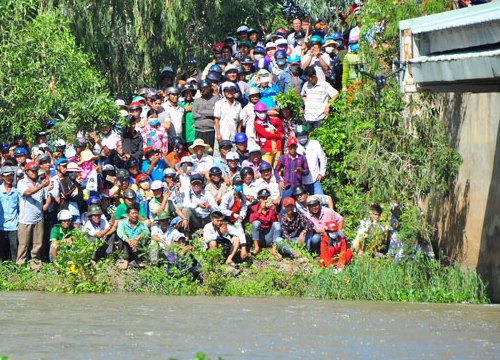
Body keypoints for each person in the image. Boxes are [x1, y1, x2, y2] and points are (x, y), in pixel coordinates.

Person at [17, 161, 52, 269]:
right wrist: (42, 185)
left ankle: (36, 266)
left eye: (36, 171)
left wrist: (46, 205)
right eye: (32, 171)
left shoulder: (39, 183)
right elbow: (28, 193)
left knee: (37, 244)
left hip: (38, 218)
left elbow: (48, 195)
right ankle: (20, 266)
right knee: (23, 245)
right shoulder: (22, 183)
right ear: (26, 171)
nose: (35, 173)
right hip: (25, 219)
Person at [116, 203, 150, 269]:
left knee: (144, 238)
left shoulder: (142, 224)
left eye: (136, 213)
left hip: (137, 246)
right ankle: (126, 259)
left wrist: (137, 238)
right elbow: (119, 232)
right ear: (128, 215)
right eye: (133, 213)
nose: (135, 215)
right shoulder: (122, 223)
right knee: (122, 239)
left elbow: (147, 232)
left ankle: (138, 258)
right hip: (127, 246)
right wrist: (129, 241)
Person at [295, 125, 327, 195]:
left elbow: (323, 158)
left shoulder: (315, 143)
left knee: (320, 200)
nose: (302, 137)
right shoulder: (295, 147)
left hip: (314, 180)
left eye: (303, 135)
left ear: (307, 134)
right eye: (299, 136)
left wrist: (321, 173)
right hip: (301, 182)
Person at [275, 137, 309, 202]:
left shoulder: (302, 158)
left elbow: (307, 171)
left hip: (298, 185)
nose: (292, 149)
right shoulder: (283, 158)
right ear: (287, 148)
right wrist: (279, 181)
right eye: (291, 147)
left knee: (300, 203)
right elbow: (276, 170)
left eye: (294, 147)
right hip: (288, 186)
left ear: (296, 147)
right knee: (285, 204)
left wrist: (301, 171)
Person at [249, 188, 281, 256]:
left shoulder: (272, 208)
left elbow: (274, 221)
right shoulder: (254, 208)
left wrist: (273, 211)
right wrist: (260, 210)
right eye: (263, 198)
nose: (265, 200)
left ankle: (274, 248)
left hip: (269, 235)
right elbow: (251, 221)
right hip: (259, 236)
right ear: (259, 199)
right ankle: (256, 247)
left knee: (277, 224)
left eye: (266, 198)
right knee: (256, 223)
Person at [214, 82, 242, 154]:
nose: (230, 92)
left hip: (233, 137)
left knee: (233, 157)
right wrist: (218, 134)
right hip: (222, 136)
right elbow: (216, 120)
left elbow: (239, 122)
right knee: (219, 157)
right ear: (224, 92)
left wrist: (238, 135)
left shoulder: (238, 105)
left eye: (232, 90)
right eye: (227, 91)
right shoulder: (219, 103)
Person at [0, 166, 19, 261]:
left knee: (14, 249)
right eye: (7, 176)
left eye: (11, 175)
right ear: (2, 177)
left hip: (14, 225)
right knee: (3, 249)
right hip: (1, 225)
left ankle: (15, 270)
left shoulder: (17, 191)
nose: (9, 178)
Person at [192, 79, 218, 149]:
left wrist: (201, 113)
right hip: (199, 130)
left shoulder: (216, 99)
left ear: (209, 88)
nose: (201, 91)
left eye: (203, 89)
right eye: (200, 89)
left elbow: (214, 113)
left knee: (210, 150)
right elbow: (194, 114)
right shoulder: (197, 100)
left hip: (210, 130)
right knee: (199, 150)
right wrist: (208, 115)